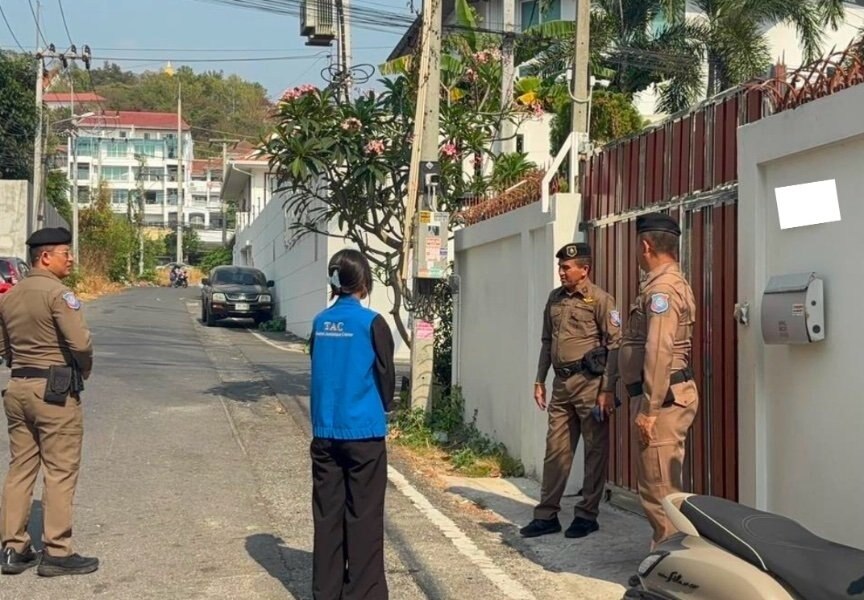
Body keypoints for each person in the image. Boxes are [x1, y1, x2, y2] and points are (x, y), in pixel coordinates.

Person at [0, 227, 98, 576]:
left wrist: (22, 367)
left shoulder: (9, 296)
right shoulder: (59, 294)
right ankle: (57, 551)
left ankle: (13, 548)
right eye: (65, 253)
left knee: (20, 468)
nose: (70, 259)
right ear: (45, 257)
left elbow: (3, 348)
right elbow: (81, 344)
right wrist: (82, 372)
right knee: (60, 469)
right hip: (54, 390)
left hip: (18, 388)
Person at [308, 248, 395, 599]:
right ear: (363, 281)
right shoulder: (371, 322)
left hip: (325, 433)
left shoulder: (318, 322)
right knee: (363, 516)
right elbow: (386, 376)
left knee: (328, 516)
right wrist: (385, 406)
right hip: (364, 434)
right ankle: (363, 591)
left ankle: (326, 591)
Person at [520, 242, 621, 539]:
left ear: (584, 269)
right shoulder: (555, 299)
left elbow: (615, 345)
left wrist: (607, 389)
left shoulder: (601, 300)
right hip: (561, 385)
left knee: (594, 450)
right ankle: (547, 514)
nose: (561, 272)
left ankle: (587, 514)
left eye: (566, 268)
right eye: (561, 267)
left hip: (589, 384)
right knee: (556, 451)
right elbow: (547, 342)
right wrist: (540, 379)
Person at [619, 212, 699, 548]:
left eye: (638, 246)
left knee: (659, 488)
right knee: (660, 482)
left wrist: (649, 409)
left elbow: (659, 349)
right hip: (662, 396)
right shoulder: (662, 285)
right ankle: (669, 555)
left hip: (663, 400)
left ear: (646, 244)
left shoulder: (662, 290)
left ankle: (671, 565)